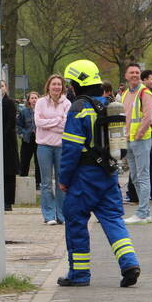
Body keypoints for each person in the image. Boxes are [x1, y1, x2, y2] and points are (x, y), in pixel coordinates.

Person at [56, 59, 140, 288]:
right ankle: (129, 262)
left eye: (71, 83)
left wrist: (64, 179)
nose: (70, 86)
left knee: (75, 222)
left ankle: (79, 275)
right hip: (108, 173)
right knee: (113, 219)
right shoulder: (109, 104)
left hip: (84, 177)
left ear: (77, 82)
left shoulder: (79, 108)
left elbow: (71, 149)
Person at [120, 63, 152, 224]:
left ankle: (142, 212)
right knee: (134, 176)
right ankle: (144, 211)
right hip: (129, 140)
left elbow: (148, 117)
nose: (134, 74)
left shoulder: (145, 93)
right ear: (126, 76)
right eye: (131, 72)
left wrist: (139, 134)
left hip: (140, 140)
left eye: (137, 72)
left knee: (142, 176)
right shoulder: (126, 93)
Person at [35, 75, 70, 225]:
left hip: (61, 147)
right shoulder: (41, 102)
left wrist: (48, 124)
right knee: (46, 182)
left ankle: (61, 215)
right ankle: (49, 215)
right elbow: (38, 122)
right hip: (44, 146)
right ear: (48, 86)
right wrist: (57, 120)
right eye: (53, 84)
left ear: (62, 87)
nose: (56, 87)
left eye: (59, 84)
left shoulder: (67, 103)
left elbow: (67, 125)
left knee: (61, 182)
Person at [0, 81, 18, 212]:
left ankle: (8, 201)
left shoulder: (9, 103)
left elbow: (11, 122)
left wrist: (2, 137)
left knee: (8, 172)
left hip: (7, 142)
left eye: (1, 86)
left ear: (6, 88)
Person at [17, 91, 41, 186]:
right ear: (28, 100)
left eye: (36, 98)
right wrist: (22, 134)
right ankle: (23, 181)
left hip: (39, 139)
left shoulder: (41, 111)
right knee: (24, 160)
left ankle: (38, 182)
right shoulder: (24, 112)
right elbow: (19, 125)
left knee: (38, 161)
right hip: (27, 139)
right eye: (32, 98)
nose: (34, 100)